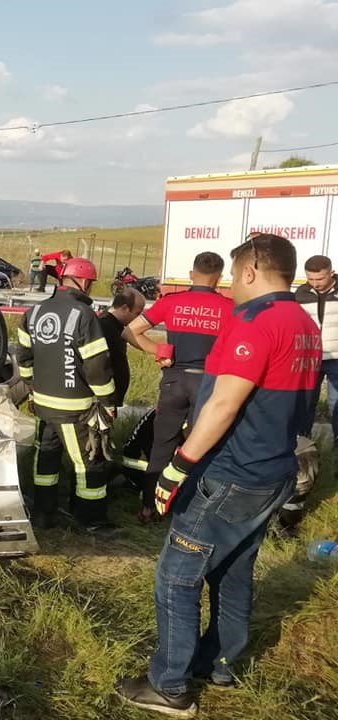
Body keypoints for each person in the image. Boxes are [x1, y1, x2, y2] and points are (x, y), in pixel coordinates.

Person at [115, 232, 322, 718]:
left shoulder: (255, 321)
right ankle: (220, 665)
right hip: (275, 469)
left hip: (233, 470)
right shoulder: (302, 321)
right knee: (232, 573)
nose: (231, 285)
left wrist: (178, 466)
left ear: (250, 270)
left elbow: (225, 403)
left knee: (176, 576)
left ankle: (170, 686)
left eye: (234, 275)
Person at [126, 251, 234, 522]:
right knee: (201, 446)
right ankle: (191, 509)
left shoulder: (172, 303)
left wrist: (159, 351)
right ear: (219, 278)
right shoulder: (230, 308)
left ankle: (149, 507)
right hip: (207, 383)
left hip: (173, 380)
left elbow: (130, 331)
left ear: (191, 274)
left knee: (162, 444)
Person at [15, 257, 117, 531]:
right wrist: (108, 402)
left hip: (44, 405)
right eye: (91, 283)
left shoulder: (33, 312)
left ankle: (43, 514)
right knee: (89, 463)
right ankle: (91, 520)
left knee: (45, 459)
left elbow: (23, 357)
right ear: (83, 281)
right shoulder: (83, 315)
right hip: (75, 407)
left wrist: (31, 387)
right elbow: (97, 365)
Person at [295, 254, 338, 439]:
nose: (315, 283)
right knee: (306, 401)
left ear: (332, 273)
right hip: (310, 357)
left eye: (320, 278)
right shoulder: (301, 294)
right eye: (311, 279)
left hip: (336, 357)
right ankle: (303, 442)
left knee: (335, 402)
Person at [98, 287, 146, 408]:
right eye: (137, 313)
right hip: (104, 400)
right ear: (124, 308)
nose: (138, 318)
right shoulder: (104, 327)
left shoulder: (115, 326)